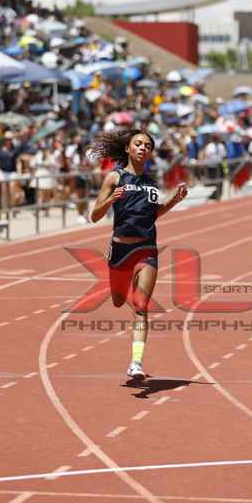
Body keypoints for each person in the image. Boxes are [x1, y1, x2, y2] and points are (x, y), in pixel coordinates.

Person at [90, 129, 188, 380]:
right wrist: (111, 199)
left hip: (146, 249)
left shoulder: (151, 182)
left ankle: (136, 363)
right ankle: (121, 287)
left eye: (147, 145)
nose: (143, 148)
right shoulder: (115, 177)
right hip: (120, 250)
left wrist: (174, 200)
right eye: (138, 144)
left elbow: (153, 214)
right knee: (117, 299)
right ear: (128, 148)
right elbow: (94, 216)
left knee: (141, 306)